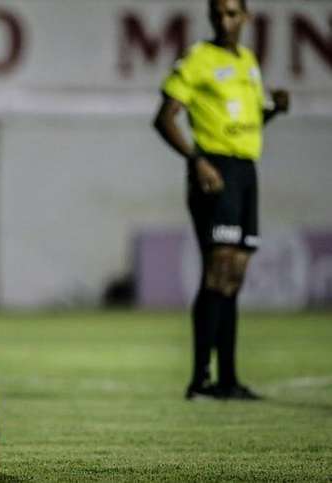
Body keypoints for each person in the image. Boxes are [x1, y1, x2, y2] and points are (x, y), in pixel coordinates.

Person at [153, 0, 289, 400]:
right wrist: (197, 161)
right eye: (218, 14)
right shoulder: (199, 58)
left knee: (235, 276)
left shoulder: (248, 60)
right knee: (217, 271)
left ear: (246, 17)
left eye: (232, 13)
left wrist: (273, 111)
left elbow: (244, 122)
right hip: (215, 170)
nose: (224, 20)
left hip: (246, 170)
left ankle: (228, 380)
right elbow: (164, 117)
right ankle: (200, 380)